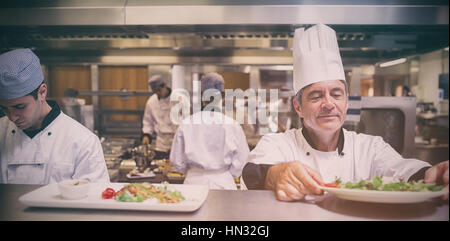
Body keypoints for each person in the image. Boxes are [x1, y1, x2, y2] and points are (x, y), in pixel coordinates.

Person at [241, 24, 449, 201]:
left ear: (347, 102)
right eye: (316, 96)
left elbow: (405, 170)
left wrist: (434, 174)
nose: (328, 103)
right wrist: (276, 175)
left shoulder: (369, 148)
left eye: (337, 94)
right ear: (298, 107)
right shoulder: (279, 144)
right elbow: (251, 172)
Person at [0, 48, 110, 184]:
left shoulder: (82, 141)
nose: (12, 117)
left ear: (42, 92)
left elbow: (93, 200)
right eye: (4, 108)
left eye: (20, 107)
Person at [170, 72, 250, 190]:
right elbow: (242, 161)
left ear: (202, 96)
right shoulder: (232, 125)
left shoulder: (186, 124)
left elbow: (177, 161)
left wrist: (194, 171)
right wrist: (225, 173)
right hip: (223, 183)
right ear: (222, 96)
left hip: (193, 183)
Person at [141, 75, 177, 159]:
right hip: (162, 142)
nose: (158, 93)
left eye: (159, 90)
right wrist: (146, 135)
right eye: (155, 91)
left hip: (177, 139)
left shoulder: (179, 99)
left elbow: (187, 121)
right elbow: (147, 122)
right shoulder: (151, 102)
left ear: (165, 85)